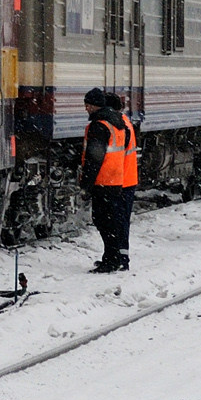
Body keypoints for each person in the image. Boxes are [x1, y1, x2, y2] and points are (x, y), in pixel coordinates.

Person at [80, 87, 138, 273]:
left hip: (105, 180)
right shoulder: (120, 123)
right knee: (114, 221)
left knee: (105, 221)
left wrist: (86, 185)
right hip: (117, 179)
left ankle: (112, 259)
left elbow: (94, 158)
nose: (86, 109)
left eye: (88, 105)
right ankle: (118, 258)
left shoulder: (101, 126)